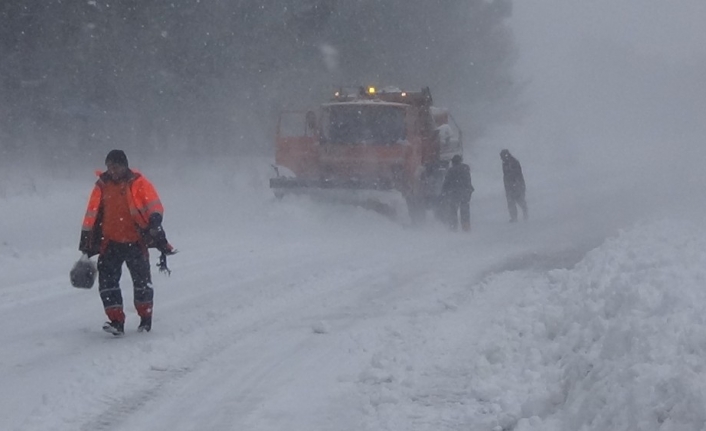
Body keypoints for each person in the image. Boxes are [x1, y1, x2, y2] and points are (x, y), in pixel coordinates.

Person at [78, 150, 174, 335]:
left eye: (116, 166)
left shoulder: (138, 183)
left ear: (124, 166)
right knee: (107, 283)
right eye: (109, 167)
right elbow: (91, 214)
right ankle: (116, 321)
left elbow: (154, 204)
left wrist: (155, 219)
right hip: (110, 242)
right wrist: (86, 243)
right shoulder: (101, 186)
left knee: (142, 282)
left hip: (135, 242)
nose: (112, 170)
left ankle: (145, 320)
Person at [441, 154, 474, 231]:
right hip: (465, 192)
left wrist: (443, 192)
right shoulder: (466, 168)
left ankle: (453, 226)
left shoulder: (451, 170)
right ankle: (466, 226)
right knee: (465, 209)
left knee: (453, 209)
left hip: (454, 193)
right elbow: (468, 180)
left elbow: (446, 182)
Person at [500, 149, 528, 222]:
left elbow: (517, 174)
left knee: (518, 199)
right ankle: (514, 217)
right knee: (510, 202)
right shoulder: (505, 163)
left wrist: (516, 184)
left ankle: (524, 212)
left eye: (502, 157)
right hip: (510, 186)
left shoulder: (513, 162)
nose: (501, 159)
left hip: (517, 185)